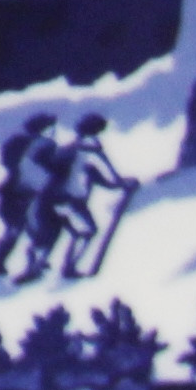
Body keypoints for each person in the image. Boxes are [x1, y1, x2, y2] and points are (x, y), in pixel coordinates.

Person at [49, 112, 136, 279]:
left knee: (81, 231)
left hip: (59, 199)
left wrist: (117, 183)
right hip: (71, 199)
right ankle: (69, 268)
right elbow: (107, 176)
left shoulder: (70, 150)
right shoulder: (87, 152)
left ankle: (68, 265)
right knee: (87, 231)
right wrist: (122, 183)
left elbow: (98, 177)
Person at [0, 114, 59, 278]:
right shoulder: (40, 145)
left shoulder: (20, 143)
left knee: (26, 229)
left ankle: (9, 263)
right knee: (20, 229)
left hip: (19, 193)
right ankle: (1, 264)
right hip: (19, 194)